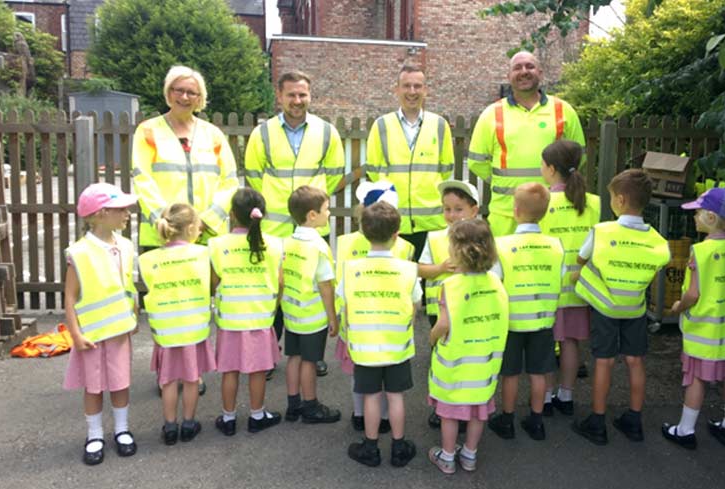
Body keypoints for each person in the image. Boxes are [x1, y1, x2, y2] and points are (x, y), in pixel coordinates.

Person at [244, 70, 345, 377]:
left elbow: (336, 175)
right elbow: (253, 176)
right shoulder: (262, 134)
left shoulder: (327, 132)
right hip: (274, 230)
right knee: (273, 294)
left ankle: (312, 356)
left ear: (309, 96)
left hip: (313, 231)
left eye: (303, 94)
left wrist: (312, 208)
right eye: (291, 95)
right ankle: (268, 355)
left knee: (312, 293)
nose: (297, 101)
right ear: (280, 96)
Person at [571, 169, 670, 445]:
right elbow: (663, 259)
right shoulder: (656, 240)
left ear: (622, 200)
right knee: (635, 360)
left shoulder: (602, 231)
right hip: (635, 308)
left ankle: (598, 422)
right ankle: (634, 420)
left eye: (612, 197)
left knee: (604, 360)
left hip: (605, 307)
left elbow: (581, 259)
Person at [662, 188, 725, 449]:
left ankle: (686, 430)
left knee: (696, 378)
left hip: (705, 332)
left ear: (711, 218)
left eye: (698, 212)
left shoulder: (701, 251)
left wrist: (678, 306)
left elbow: (693, 294)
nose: (695, 216)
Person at [467, 51, 585, 237]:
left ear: (540, 72)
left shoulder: (563, 110)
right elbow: (476, 162)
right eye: (517, 68)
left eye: (529, 66)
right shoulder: (492, 113)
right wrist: (505, 182)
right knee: (504, 265)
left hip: (550, 210)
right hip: (507, 214)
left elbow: (578, 157)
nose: (524, 71)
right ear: (509, 76)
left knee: (548, 264)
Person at [63, 183, 139, 466]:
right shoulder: (79, 253)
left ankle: (122, 430)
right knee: (93, 387)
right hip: (92, 335)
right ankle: (94, 435)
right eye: (121, 209)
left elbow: (128, 286)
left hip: (119, 332)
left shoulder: (127, 246)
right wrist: (75, 333)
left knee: (121, 382)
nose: (128, 213)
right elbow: (70, 298)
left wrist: (133, 315)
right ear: (101, 213)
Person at [428, 219, 509, 474]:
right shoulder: (497, 283)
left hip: (455, 365)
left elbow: (443, 325)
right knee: (478, 411)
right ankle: (470, 454)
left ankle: (448, 456)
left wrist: (431, 339)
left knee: (450, 413)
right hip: (485, 362)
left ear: (456, 251)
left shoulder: (450, 286)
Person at [344, 201, 421, 468]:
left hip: (365, 346)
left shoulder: (351, 269)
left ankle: (371, 446)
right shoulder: (408, 269)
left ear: (363, 232)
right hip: (397, 344)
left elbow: (346, 303)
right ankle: (399, 447)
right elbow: (414, 306)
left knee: (371, 397)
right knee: (396, 396)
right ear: (397, 233)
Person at [335, 181, 414, 434]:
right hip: (394, 333)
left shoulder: (345, 242)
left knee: (360, 380)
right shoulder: (405, 248)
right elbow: (412, 299)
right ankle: (388, 426)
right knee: (393, 391)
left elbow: (341, 289)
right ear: (396, 229)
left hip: (357, 328)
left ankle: (361, 418)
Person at [487, 183, 564, 441]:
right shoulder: (556, 246)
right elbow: (561, 277)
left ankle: (507, 419)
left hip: (511, 322)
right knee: (539, 372)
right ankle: (536, 421)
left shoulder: (502, 245)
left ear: (515, 210)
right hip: (543, 319)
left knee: (510, 372)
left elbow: (495, 281)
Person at [131, 65, 238, 248]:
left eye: (191, 93)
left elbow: (229, 182)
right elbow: (143, 180)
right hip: (162, 236)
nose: (184, 97)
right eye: (179, 90)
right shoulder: (148, 131)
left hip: (206, 236)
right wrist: (166, 222)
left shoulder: (213, 134)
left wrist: (206, 221)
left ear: (199, 99)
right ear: (169, 93)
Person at [138, 203, 216, 445]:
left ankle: (170, 426)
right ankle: (189, 423)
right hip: (193, 326)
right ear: (192, 228)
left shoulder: (149, 259)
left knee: (168, 379)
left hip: (166, 330)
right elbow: (212, 285)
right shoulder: (203, 255)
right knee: (192, 378)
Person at [209, 188, 283, 437]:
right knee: (257, 370)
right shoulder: (274, 244)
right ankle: (257, 415)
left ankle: (228, 418)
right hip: (260, 316)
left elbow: (213, 281)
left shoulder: (217, 244)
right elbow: (280, 282)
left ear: (231, 214)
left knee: (229, 370)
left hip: (230, 317)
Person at [365, 65, 454, 260]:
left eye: (417, 86)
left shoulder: (439, 125)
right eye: (406, 86)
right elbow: (373, 171)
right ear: (396, 89)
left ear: (425, 90)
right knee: (398, 283)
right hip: (393, 222)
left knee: (429, 282)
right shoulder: (381, 125)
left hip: (431, 221)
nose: (412, 92)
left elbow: (446, 169)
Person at [540, 140, 600, 416]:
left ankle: (547, 398)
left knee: (547, 342)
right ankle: (567, 396)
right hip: (579, 285)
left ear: (551, 168)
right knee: (571, 342)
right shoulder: (594, 203)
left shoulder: (543, 201)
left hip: (549, 285)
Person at [418, 180, 480, 429]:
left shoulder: (483, 237)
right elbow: (420, 269)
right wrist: (440, 268)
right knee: (442, 362)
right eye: (447, 209)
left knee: (467, 361)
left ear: (474, 210)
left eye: (458, 209)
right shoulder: (434, 237)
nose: (451, 215)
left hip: (472, 312)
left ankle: (466, 407)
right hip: (440, 312)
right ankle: (441, 407)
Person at [281, 185, 341, 423]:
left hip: (292, 313)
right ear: (312, 215)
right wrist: (333, 318)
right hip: (312, 316)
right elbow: (326, 286)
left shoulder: (287, 242)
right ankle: (311, 406)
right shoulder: (318, 247)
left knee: (293, 357)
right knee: (309, 361)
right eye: (326, 209)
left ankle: (293, 404)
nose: (330, 214)